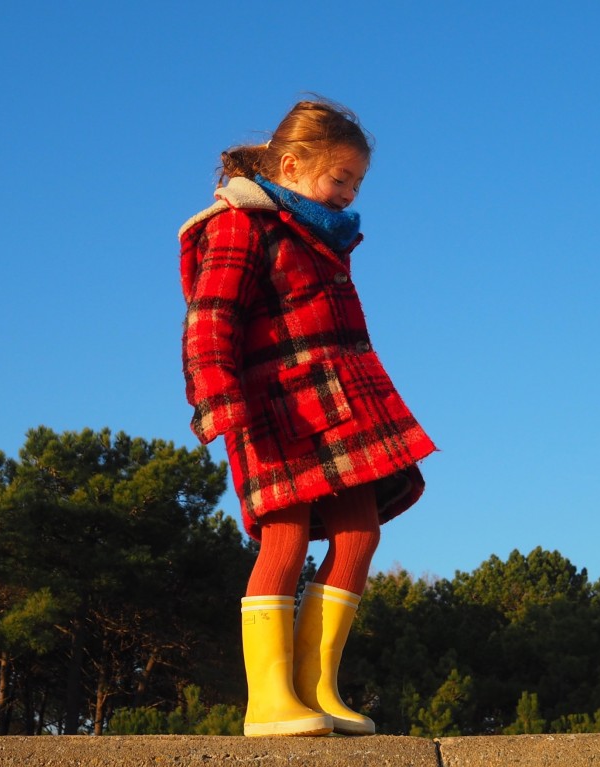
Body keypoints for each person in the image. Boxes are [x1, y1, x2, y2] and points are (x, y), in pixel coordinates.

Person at [179, 98, 435, 737]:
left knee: (360, 534)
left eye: (357, 182)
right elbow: (210, 317)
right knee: (285, 539)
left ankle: (315, 690)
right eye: (340, 178)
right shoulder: (241, 224)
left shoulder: (318, 232)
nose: (349, 193)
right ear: (290, 165)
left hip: (337, 405)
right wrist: (217, 399)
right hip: (272, 408)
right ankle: (268, 702)